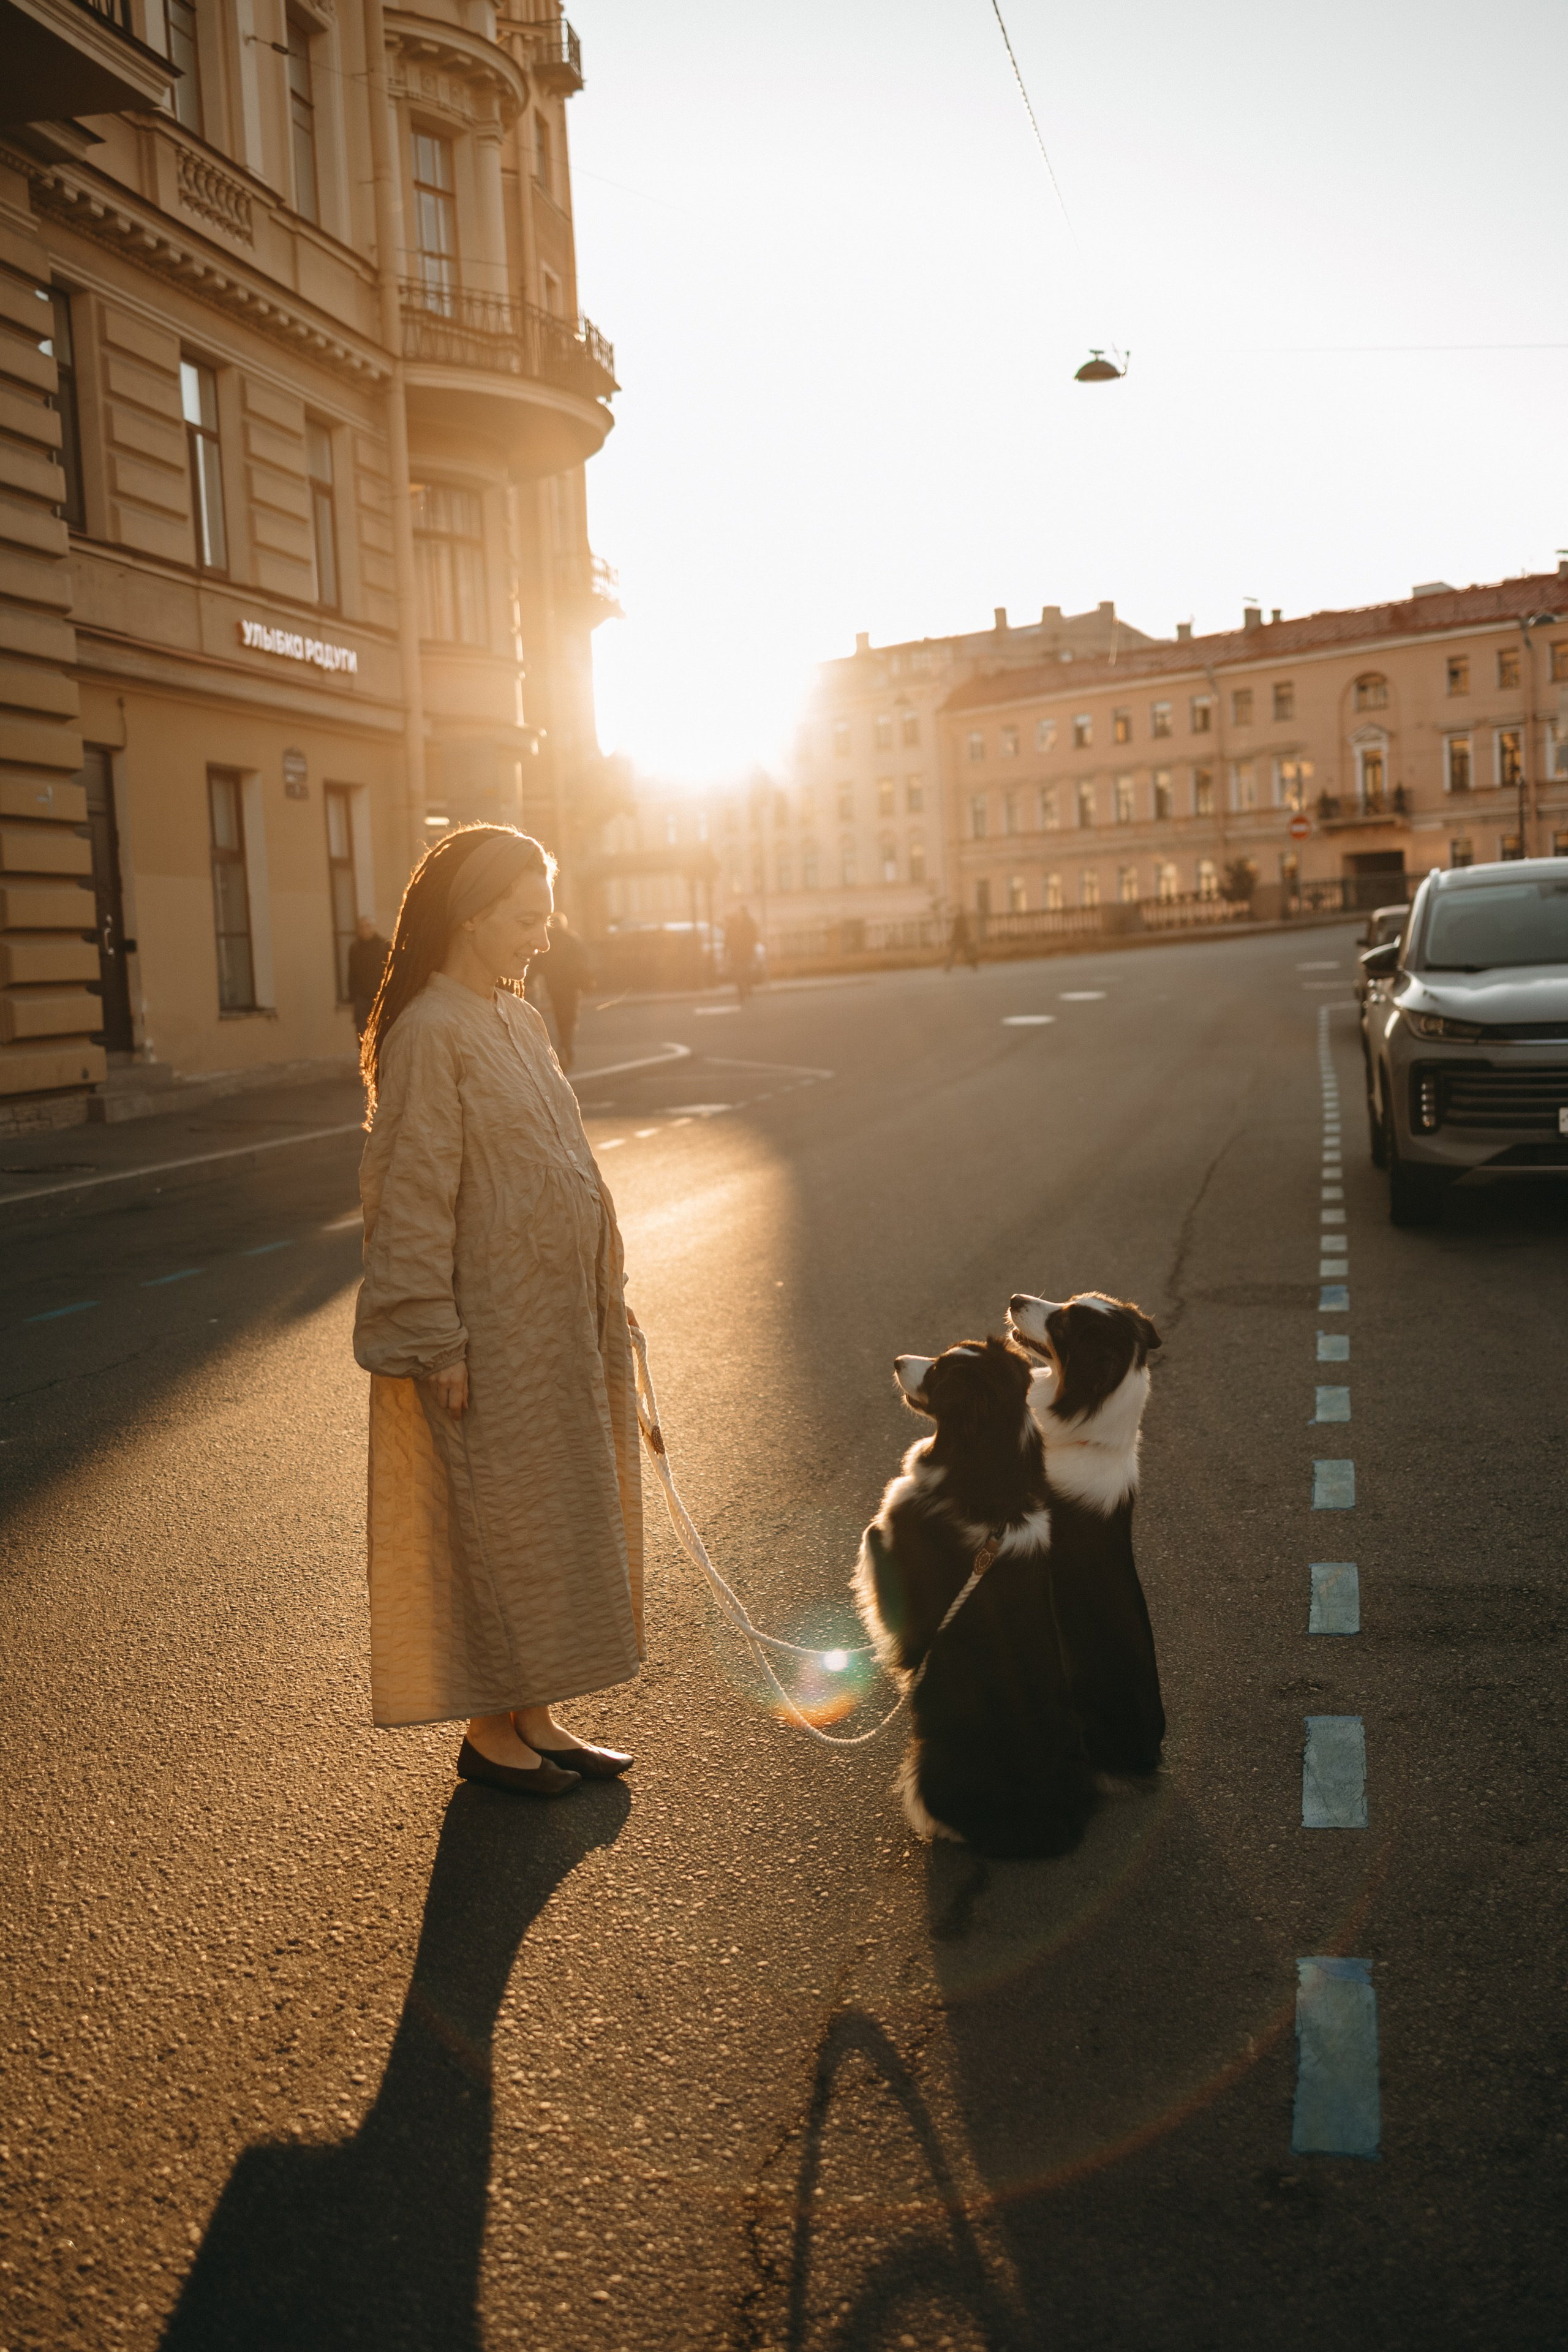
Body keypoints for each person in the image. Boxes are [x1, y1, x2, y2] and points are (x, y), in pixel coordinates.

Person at [354, 824, 643, 1796]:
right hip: (486, 1334)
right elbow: (411, 1194)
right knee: (496, 1527)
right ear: (472, 916)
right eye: (526, 919)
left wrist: (611, 1294)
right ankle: (490, 1731)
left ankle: (540, 1714)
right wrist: (433, 1336)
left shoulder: (516, 1020)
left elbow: (570, 1166)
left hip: (557, 1326)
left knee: (556, 1518)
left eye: (546, 918)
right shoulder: (430, 1033)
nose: (542, 940)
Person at [536, 910, 594, 1071]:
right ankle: (566, 1046)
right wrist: (588, 982)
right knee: (571, 1017)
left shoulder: (548, 940)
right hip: (572, 987)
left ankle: (563, 1044)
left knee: (560, 1016)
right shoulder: (572, 939)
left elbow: (538, 963)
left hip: (554, 986)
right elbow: (583, 961)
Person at [347, 914, 391, 1038]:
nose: (365, 930)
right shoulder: (355, 948)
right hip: (362, 999)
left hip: (381, 997)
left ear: (374, 927)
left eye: (368, 926)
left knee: (382, 1034)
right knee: (363, 1034)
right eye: (362, 927)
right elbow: (352, 974)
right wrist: (353, 999)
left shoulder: (385, 946)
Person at [723, 903, 760, 1001]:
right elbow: (728, 939)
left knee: (745, 971)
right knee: (738, 972)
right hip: (737, 953)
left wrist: (752, 948)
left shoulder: (749, 923)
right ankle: (741, 992)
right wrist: (726, 951)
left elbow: (754, 937)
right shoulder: (733, 925)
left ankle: (747, 988)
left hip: (745, 952)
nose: (740, 914)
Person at [944, 904, 979, 973]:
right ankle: (974, 966)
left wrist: (953, 938)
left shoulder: (959, 918)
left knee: (954, 954)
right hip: (962, 939)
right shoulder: (962, 918)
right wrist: (968, 936)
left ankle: (948, 968)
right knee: (966, 954)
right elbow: (963, 929)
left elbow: (956, 930)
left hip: (959, 940)